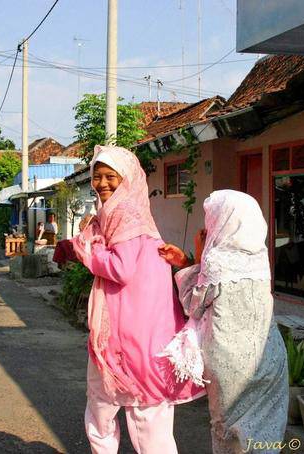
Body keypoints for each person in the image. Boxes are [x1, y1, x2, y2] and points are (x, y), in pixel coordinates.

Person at [71, 145, 204, 454]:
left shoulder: (126, 218)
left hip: (129, 341)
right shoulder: (127, 218)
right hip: (129, 340)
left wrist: (85, 245)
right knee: (141, 417)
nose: (102, 184)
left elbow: (120, 268)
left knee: (120, 413)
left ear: (127, 180)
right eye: (97, 176)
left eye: (110, 177)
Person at [158, 190, 288, 454]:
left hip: (230, 365)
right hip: (269, 357)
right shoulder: (259, 257)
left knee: (227, 433)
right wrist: (194, 260)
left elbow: (193, 305)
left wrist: (196, 255)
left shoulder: (216, 260)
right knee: (264, 435)